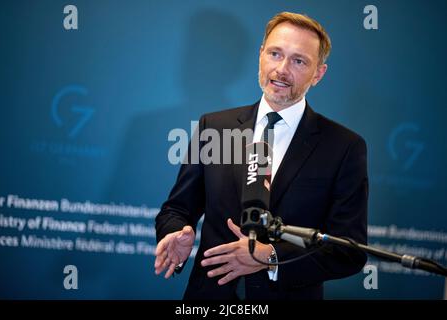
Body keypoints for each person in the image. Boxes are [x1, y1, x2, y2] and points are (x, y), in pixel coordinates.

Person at [154, 12, 368, 300]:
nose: (281, 69)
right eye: (275, 53)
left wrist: (271, 257)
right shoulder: (215, 127)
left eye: (298, 60)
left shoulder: (343, 147)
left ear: (319, 73)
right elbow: (176, 209)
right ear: (261, 55)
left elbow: (348, 251)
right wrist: (177, 232)